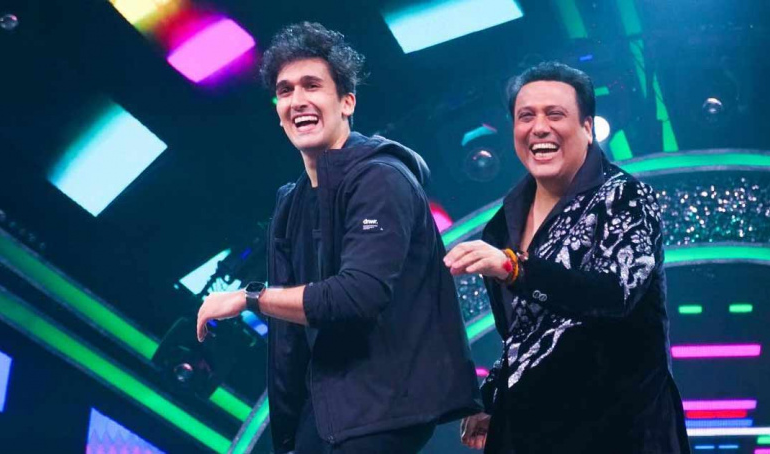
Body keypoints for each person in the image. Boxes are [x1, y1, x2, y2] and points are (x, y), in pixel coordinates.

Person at [196, 22, 481, 454]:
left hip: (385, 408)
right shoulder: (291, 204)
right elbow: (290, 343)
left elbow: (358, 295)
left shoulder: (381, 178)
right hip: (327, 412)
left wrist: (250, 298)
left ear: (347, 101)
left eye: (312, 85)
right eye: (285, 90)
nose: (297, 100)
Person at [446, 62, 690, 453]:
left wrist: (514, 268)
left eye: (555, 114)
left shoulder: (624, 197)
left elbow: (615, 293)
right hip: (530, 431)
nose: (539, 127)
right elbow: (529, 333)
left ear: (587, 128)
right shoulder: (502, 224)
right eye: (526, 116)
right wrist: (492, 397)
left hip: (619, 432)